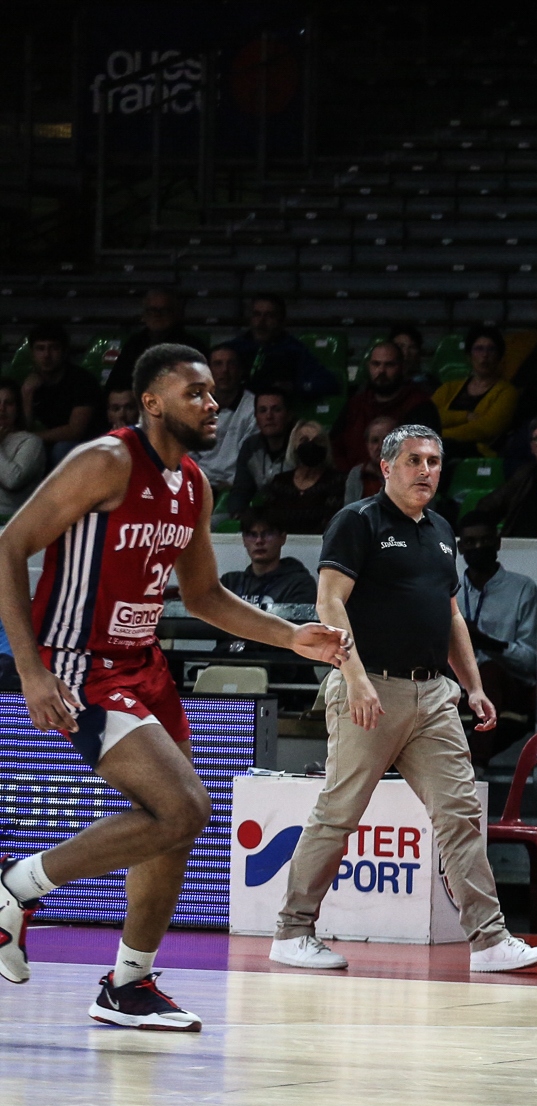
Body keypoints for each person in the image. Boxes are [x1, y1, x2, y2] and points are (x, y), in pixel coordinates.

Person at [0, 343, 351, 1027]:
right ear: (152, 401)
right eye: (194, 392)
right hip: (78, 661)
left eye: (214, 392)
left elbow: (206, 594)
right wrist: (31, 668)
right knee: (184, 806)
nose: (212, 402)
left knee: (177, 828)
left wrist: (291, 636)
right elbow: (10, 543)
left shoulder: (193, 483)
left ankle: (127, 984)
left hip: (143, 663)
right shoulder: (105, 460)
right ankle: (17, 884)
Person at [267, 424, 537, 975]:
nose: (426, 470)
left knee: (460, 813)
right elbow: (329, 602)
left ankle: (489, 940)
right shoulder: (357, 522)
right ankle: (293, 931)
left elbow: (449, 617)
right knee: (339, 813)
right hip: (370, 687)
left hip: (434, 694)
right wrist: (353, 677)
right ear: (388, 465)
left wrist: (472, 687)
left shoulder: (442, 531)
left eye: (435, 461)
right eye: (415, 460)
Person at [454, 520, 537, 764]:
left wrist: (486, 642)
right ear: (460, 548)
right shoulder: (450, 590)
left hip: (507, 688)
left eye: (485, 540)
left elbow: (529, 663)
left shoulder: (522, 588)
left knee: (488, 672)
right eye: (470, 542)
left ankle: (475, 766)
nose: (478, 546)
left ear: (498, 543)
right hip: (455, 685)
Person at [335, 340, 440, 472]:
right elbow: (335, 447)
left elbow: (424, 457)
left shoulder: (419, 406)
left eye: (389, 365)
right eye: (376, 364)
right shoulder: (356, 404)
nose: (381, 371)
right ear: (368, 366)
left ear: (402, 367)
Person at [226, 294, 338, 400]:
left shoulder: (294, 350)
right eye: (257, 314)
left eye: (269, 316)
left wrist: (294, 387)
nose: (261, 322)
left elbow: (328, 383)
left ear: (281, 320)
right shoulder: (233, 349)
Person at [432, 327, 520, 460]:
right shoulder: (449, 388)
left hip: (476, 454)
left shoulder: (507, 392)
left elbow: (484, 429)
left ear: (499, 356)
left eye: (491, 349)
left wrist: (438, 437)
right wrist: (464, 416)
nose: (485, 355)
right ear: (469, 355)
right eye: (479, 349)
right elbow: (429, 416)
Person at [20, 323, 103, 451]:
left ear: (64, 352)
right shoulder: (29, 383)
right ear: (32, 353)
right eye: (40, 349)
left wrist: (31, 437)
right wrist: (27, 394)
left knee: (61, 448)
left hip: (85, 445)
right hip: (45, 442)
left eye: (53, 348)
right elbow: (24, 428)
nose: (46, 355)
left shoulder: (83, 381)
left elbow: (74, 431)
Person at [257, 421, 347, 537]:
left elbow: (332, 523)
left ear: (326, 446)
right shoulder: (279, 482)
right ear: (294, 446)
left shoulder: (338, 481)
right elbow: (269, 520)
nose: (311, 445)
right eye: (304, 440)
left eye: (317, 441)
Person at [191, 344, 258, 490]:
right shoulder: (195, 406)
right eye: (218, 364)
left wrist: (232, 483)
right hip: (199, 483)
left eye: (231, 363)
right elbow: (188, 452)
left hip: (233, 486)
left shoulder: (253, 407)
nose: (225, 370)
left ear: (241, 370)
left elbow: (249, 458)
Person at [106, 288, 198, 393]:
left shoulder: (192, 346)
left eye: (164, 310)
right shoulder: (133, 344)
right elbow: (117, 383)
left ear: (175, 313)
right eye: (151, 310)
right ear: (144, 314)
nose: (156, 315)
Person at [220, 389, 294, 519]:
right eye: (263, 410)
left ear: (288, 415)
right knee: (213, 523)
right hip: (261, 516)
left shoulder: (299, 443)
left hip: (294, 515)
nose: (269, 416)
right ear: (256, 417)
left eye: (276, 410)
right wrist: (239, 514)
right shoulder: (250, 446)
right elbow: (241, 490)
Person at [222, 512, 317, 607]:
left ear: (282, 538)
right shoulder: (230, 583)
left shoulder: (299, 584)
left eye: (267, 534)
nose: (259, 541)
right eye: (252, 534)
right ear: (244, 540)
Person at [0, 380, 47, 514]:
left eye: (8, 403)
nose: (1, 408)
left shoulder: (31, 442)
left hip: (10, 518)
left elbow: (12, 481)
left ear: (17, 408)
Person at [343, 416, 397, 505]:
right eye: (374, 441)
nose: (380, 446)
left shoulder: (413, 473)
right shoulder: (357, 474)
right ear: (367, 445)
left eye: (386, 440)